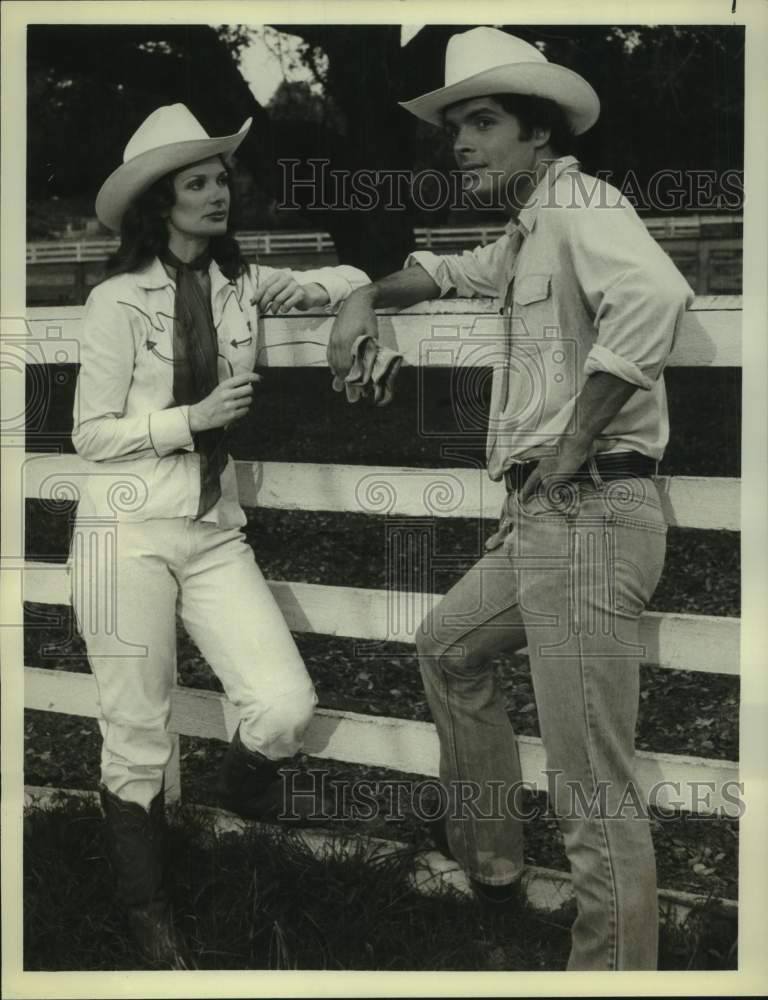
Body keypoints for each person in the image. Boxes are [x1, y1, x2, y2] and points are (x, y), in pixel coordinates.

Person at [328, 27, 694, 971]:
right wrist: (360, 301)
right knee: (449, 647)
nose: (460, 143)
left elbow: (654, 296)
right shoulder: (531, 226)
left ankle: (613, 974)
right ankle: (494, 869)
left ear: (538, 134)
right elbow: (446, 272)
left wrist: (572, 445)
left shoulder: (579, 203)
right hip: (548, 518)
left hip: (590, 517)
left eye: (482, 122)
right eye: (455, 126)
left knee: (588, 783)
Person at [71, 103, 369, 968]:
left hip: (212, 529)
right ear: (159, 202)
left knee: (284, 705)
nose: (218, 192)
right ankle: (146, 909)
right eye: (195, 182)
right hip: (125, 533)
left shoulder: (245, 285)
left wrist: (359, 310)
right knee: (136, 731)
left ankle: (244, 782)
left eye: (220, 178)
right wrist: (187, 419)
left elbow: (345, 275)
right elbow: (90, 434)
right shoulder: (115, 301)